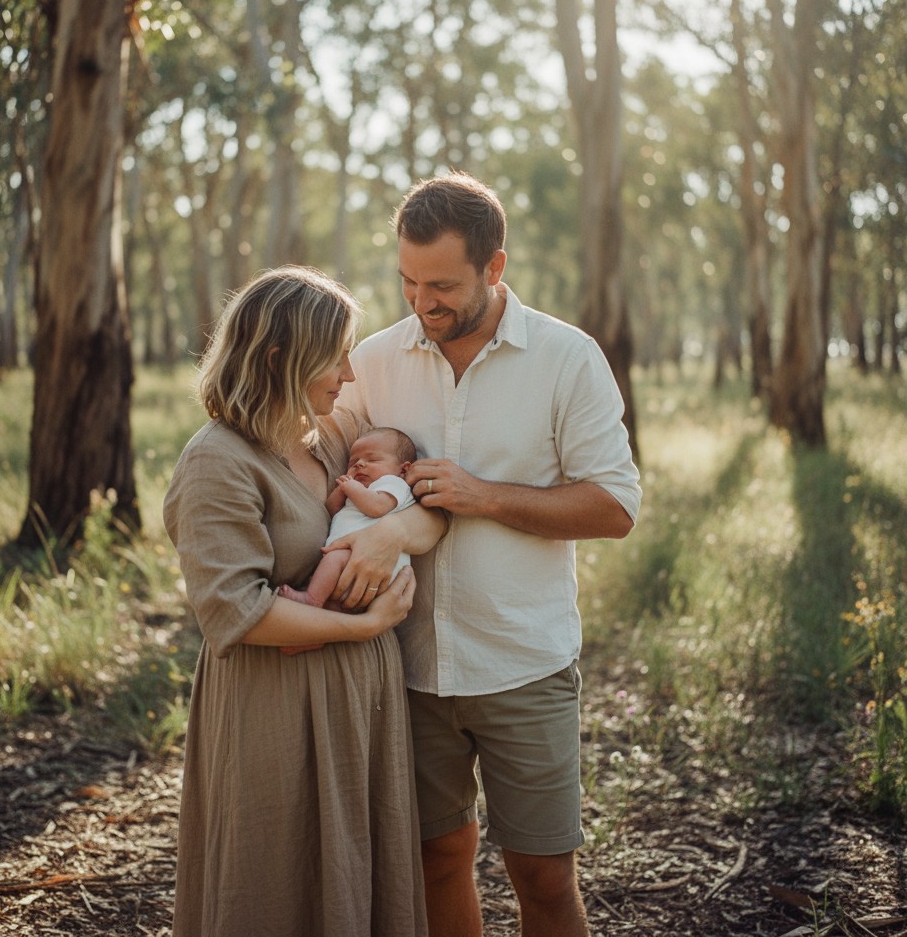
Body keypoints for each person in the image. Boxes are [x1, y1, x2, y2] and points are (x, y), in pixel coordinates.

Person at [339, 171, 642, 937]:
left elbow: (614, 507)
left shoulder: (568, 360)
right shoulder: (372, 362)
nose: (421, 302)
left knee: (542, 877)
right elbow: (312, 457)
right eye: (407, 281)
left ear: (494, 268)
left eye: (441, 284)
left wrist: (482, 495)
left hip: (524, 664)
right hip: (404, 669)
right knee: (435, 859)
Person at [163, 265, 442, 937]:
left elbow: (430, 512)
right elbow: (236, 611)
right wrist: (364, 626)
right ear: (278, 356)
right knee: (276, 878)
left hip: (360, 698)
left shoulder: (333, 443)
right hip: (273, 701)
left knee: (354, 874)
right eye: (336, 355)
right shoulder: (218, 461)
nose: (350, 375)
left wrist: (393, 535)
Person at [279, 427, 418, 654]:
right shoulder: (359, 490)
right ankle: (311, 637)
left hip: (375, 565)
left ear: (403, 469)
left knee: (336, 558)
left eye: (372, 459)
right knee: (336, 607)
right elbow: (329, 511)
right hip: (355, 567)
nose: (360, 465)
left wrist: (351, 487)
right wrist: (342, 490)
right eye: (354, 461)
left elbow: (376, 507)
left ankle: (311, 600)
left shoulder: (393, 484)